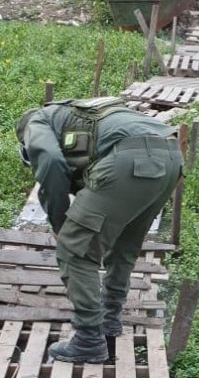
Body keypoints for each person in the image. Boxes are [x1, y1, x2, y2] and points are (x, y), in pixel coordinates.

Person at [16, 97, 183, 363]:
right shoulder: (79, 116)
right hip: (171, 156)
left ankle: (88, 340)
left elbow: (49, 161)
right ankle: (109, 318)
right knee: (125, 243)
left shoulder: (36, 122)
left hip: (128, 160)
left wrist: (61, 225)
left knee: (74, 248)